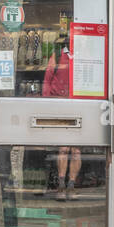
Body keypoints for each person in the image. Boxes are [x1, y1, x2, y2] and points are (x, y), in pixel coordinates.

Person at [43, 36, 81, 200]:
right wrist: (46, 104)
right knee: (64, 148)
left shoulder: (85, 55)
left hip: (80, 104)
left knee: (77, 150)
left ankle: (71, 184)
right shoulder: (58, 55)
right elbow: (47, 79)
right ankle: (61, 184)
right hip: (60, 104)